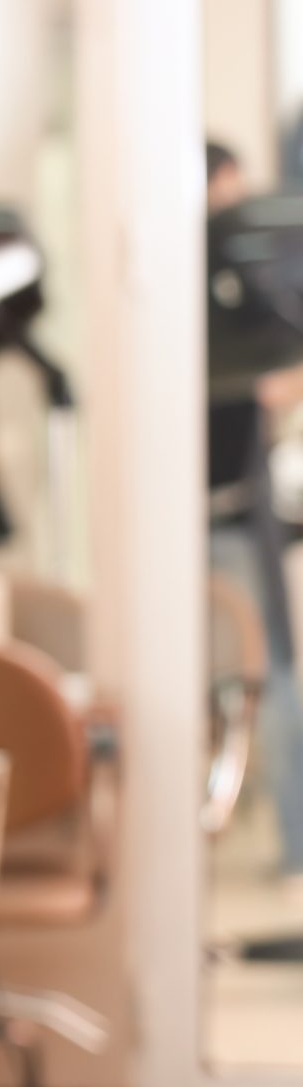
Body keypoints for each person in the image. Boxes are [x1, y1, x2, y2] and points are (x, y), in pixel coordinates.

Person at [206, 138, 303, 892]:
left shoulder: (242, 292)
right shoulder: (204, 290)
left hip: (241, 509)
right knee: (263, 677)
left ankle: (294, 849)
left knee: (268, 679)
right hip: (213, 516)